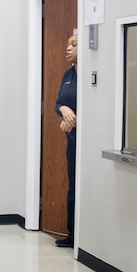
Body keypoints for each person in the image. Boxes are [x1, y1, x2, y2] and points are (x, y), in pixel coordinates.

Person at [54, 34, 78, 248]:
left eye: (74, 44)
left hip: (86, 141)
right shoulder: (67, 75)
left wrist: (74, 119)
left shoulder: (91, 76)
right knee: (73, 185)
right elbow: (59, 102)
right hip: (72, 141)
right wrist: (64, 110)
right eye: (68, 44)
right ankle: (73, 234)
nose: (68, 48)